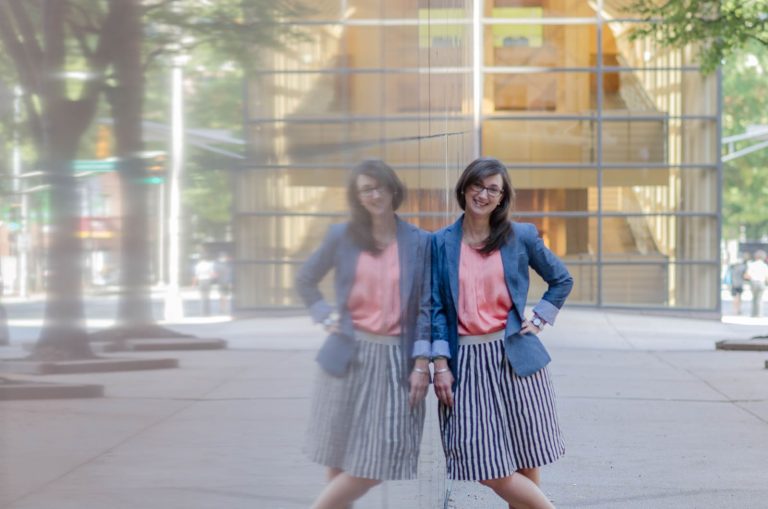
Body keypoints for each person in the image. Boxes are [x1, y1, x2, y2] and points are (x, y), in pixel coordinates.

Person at [430, 157, 573, 509]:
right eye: (478, 185)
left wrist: (539, 318)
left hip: (515, 358)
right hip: (466, 362)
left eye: (493, 189)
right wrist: (439, 364)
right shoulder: (439, 243)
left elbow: (561, 280)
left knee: (526, 454)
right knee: (480, 457)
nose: (483, 194)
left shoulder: (519, 237)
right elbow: (432, 309)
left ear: (502, 197)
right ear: (464, 187)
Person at [295, 160, 432, 509]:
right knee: (338, 454)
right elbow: (306, 279)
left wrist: (421, 362)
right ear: (358, 197)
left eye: (379, 186)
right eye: (365, 190)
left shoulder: (418, 241)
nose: (374, 194)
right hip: (347, 356)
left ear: (392, 188)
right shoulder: (341, 236)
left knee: (380, 454)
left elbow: (426, 309)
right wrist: (325, 316)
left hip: (394, 360)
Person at [745, 249, 768, 318]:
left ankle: (753, 314)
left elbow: (747, 275)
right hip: (761, 283)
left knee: (754, 298)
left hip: (754, 282)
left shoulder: (752, 265)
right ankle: (759, 314)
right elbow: (766, 276)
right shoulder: (765, 266)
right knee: (760, 299)